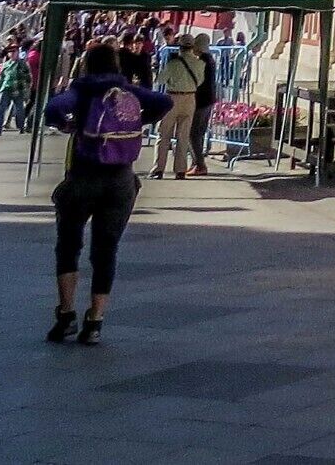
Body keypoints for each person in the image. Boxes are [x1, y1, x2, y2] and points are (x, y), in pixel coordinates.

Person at [43, 42, 168, 345]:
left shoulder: (83, 90)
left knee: (68, 245)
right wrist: (138, 119)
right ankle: (95, 321)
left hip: (83, 176)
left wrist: (68, 124)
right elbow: (163, 102)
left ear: (88, 64)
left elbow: (54, 108)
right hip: (121, 180)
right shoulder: (126, 91)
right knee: (106, 250)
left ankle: (66, 314)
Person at [154, 34, 204, 181]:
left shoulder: (173, 63)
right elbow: (200, 82)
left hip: (172, 97)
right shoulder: (200, 63)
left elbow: (160, 80)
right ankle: (181, 170)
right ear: (192, 47)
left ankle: (158, 169)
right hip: (190, 98)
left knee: (163, 134)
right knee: (183, 135)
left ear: (180, 47)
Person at [188, 33, 218, 177]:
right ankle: (196, 163)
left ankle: (200, 165)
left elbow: (198, 82)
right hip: (208, 100)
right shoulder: (210, 59)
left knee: (193, 134)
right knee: (198, 133)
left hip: (200, 101)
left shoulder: (202, 61)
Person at [0, 47, 32, 137]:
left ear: (18, 52)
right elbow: (1, 79)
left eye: (14, 51)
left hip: (18, 90)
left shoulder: (23, 64)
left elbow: (28, 78)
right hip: (6, 89)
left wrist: (26, 91)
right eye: (10, 52)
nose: (12, 53)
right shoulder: (5, 64)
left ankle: (21, 127)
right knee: (0, 109)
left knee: (19, 110)